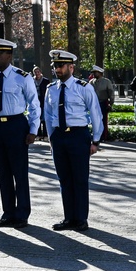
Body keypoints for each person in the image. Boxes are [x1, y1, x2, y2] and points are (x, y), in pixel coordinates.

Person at [0, 38, 40, 228]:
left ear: (9, 55)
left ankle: (21, 214)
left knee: (19, 173)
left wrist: (32, 129)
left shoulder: (22, 77)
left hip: (16, 125)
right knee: (3, 173)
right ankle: (8, 213)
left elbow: (34, 104)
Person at [43, 49, 103, 232]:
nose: (57, 69)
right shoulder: (51, 89)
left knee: (79, 178)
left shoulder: (83, 87)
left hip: (78, 136)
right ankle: (69, 217)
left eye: (60, 66)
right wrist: (51, 138)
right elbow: (48, 114)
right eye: (55, 66)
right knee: (64, 179)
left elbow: (95, 114)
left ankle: (81, 218)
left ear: (71, 67)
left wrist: (96, 141)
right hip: (59, 136)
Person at [89, 65, 114, 141]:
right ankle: (96, 136)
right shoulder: (91, 82)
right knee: (94, 120)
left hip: (103, 102)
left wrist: (110, 103)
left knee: (103, 121)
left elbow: (111, 93)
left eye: (95, 72)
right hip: (94, 104)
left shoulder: (106, 82)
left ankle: (103, 136)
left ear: (100, 73)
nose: (93, 74)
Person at [32, 66, 50, 139]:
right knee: (37, 117)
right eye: (35, 72)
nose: (37, 73)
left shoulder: (45, 81)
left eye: (38, 72)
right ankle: (38, 134)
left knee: (44, 118)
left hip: (43, 101)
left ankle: (45, 134)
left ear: (41, 72)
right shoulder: (32, 80)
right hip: (35, 101)